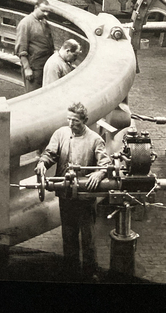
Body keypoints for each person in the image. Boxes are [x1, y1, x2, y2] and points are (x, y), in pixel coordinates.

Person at [35, 102, 109, 281]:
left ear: (85, 120)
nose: (70, 124)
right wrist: (42, 163)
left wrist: (99, 174)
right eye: (68, 119)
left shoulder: (95, 139)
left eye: (75, 120)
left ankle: (90, 273)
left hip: (85, 198)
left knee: (88, 238)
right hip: (66, 195)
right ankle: (71, 273)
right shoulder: (61, 134)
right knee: (68, 236)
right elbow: (50, 153)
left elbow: (105, 163)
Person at [15, 0, 55, 92]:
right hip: (33, 66)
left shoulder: (43, 22)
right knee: (33, 94)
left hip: (44, 65)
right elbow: (21, 48)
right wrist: (27, 68)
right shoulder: (25, 23)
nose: (46, 14)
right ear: (36, 7)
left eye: (47, 12)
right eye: (43, 11)